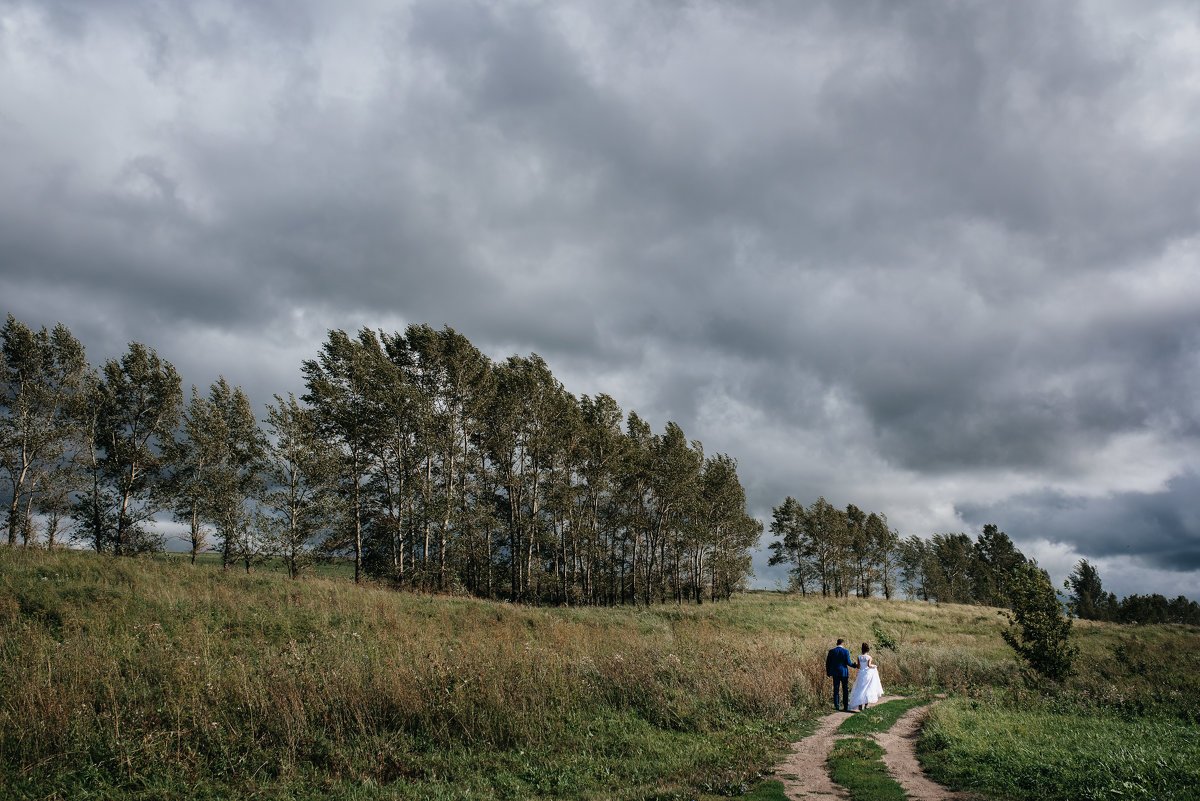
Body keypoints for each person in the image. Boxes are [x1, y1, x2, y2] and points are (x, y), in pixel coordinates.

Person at [848, 642, 884, 711]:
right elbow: (869, 665)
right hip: (867, 674)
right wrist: (874, 666)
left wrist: (855, 664)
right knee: (868, 688)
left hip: (861, 674)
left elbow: (858, 667)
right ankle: (866, 706)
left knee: (860, 688)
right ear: (868, 650)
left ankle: (860, 705)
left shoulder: (859, 657)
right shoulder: (869, 657)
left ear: (862, 649)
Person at [825, 638, 858, 711]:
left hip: (835, 672)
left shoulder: (831, 651)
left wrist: (828, 672)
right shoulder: (845, 651)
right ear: (843, 644)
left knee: (836, 689)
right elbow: (848, 663)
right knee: (845, 689)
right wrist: (855, 665)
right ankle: (845, 706)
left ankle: (837, 706)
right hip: (844, 673)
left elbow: (828, 663)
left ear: (837, 643)